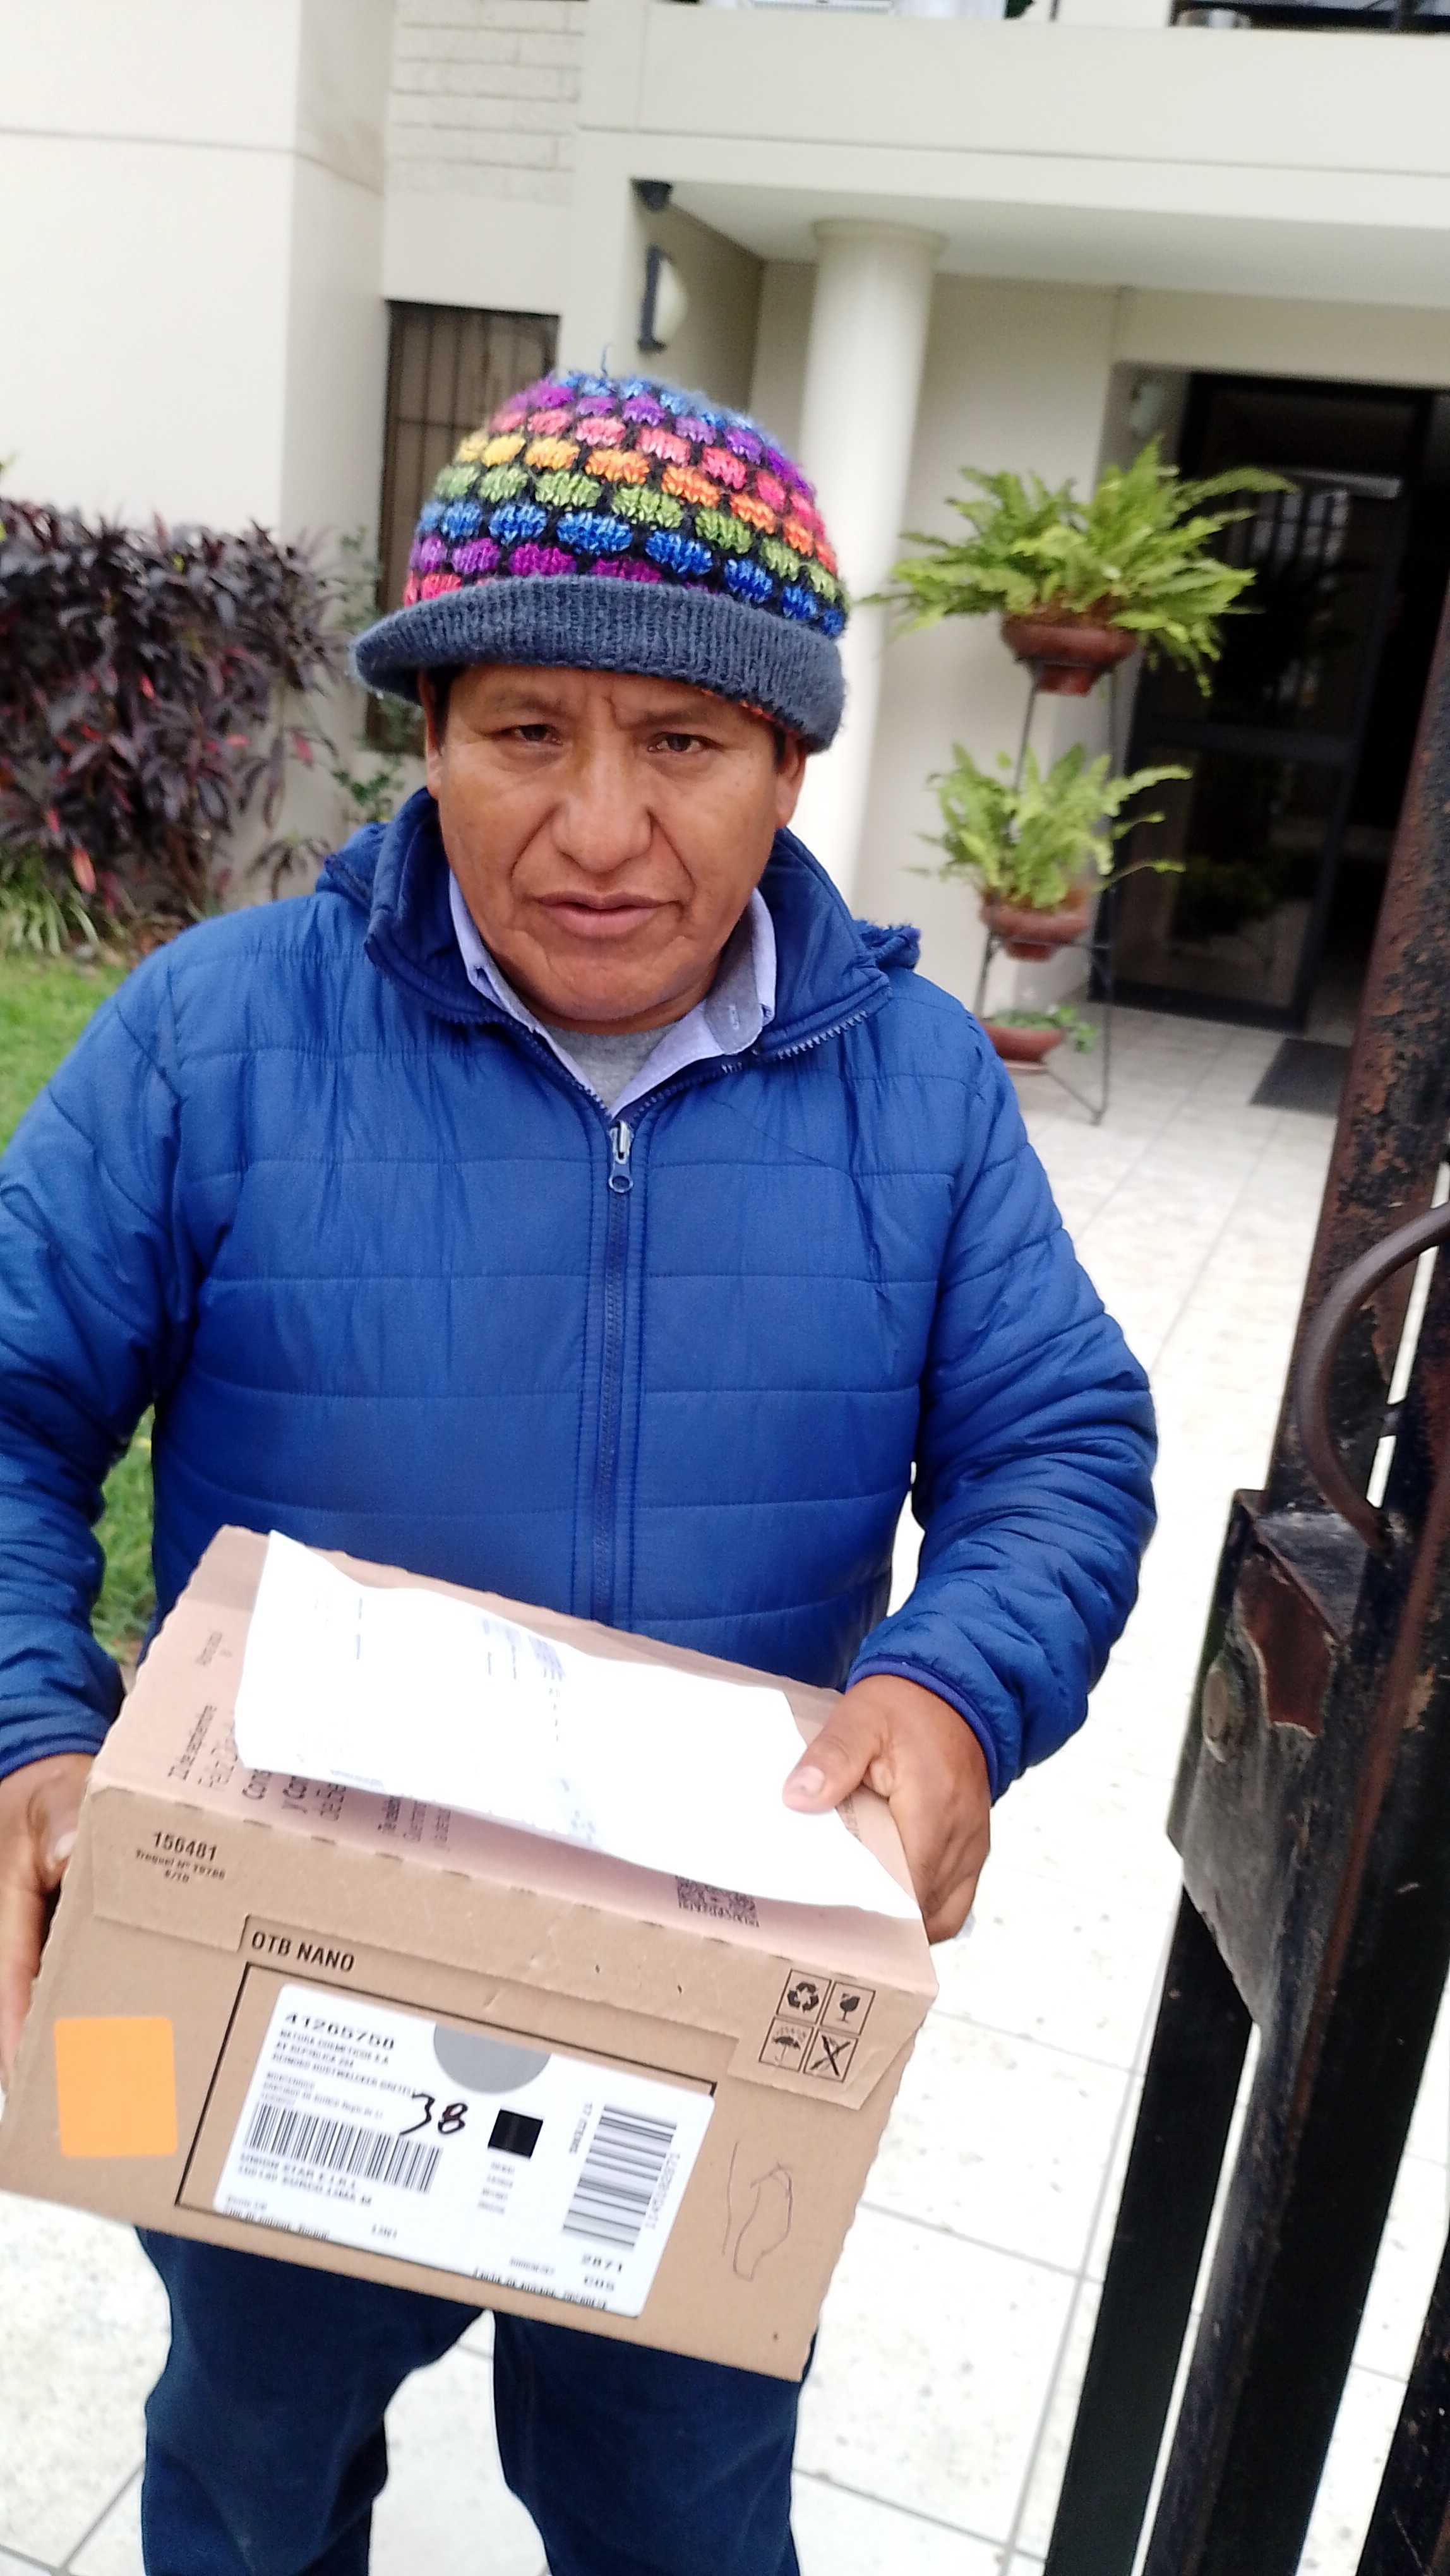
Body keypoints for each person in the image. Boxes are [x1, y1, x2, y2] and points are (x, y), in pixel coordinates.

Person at [0, 371, 1155, 2576]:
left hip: (706, 2011)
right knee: (249, 2475)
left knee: (684, 2514)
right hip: (271, 1965)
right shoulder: (215, 1037)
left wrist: (954, 1688)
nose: (600, 829)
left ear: (790, 766)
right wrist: (31, 1729)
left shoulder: (917, 1092)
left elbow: (1058, 1443)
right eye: (527, 730)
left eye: (683, 742)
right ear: (428, 738)